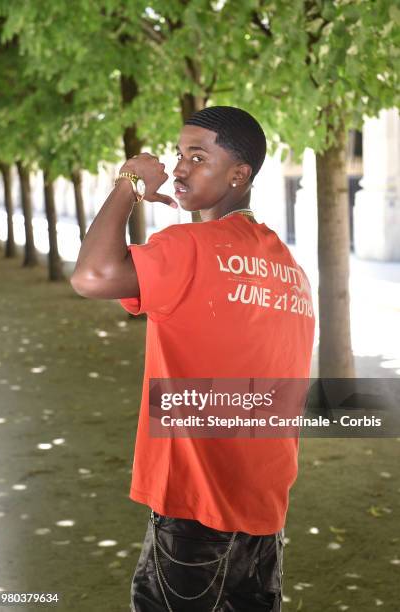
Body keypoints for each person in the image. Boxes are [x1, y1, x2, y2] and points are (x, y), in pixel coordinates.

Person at [71, 106, 315, 612]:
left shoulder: (190, 247)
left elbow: (91, 276)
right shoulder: (289, 268)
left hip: (195, 511)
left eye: (197, 157)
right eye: (179, 154)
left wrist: (129, 185)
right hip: (264, 513)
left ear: (238, 174)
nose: (178, 168)